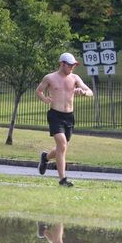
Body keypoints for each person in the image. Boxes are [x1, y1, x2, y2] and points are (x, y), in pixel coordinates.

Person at [35, 52, 93, 187]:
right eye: (70, 65)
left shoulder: (75, 78)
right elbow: (38, 90)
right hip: (55, 115)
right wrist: (45, 99)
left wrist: (83, 92)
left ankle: (45, 157)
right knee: (62, 145)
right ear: (62, 64)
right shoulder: (50, 78)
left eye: (74, 65)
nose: (72, 68)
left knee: (62, 147)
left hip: (69, 116)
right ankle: (62, 180)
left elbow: (90, 91)